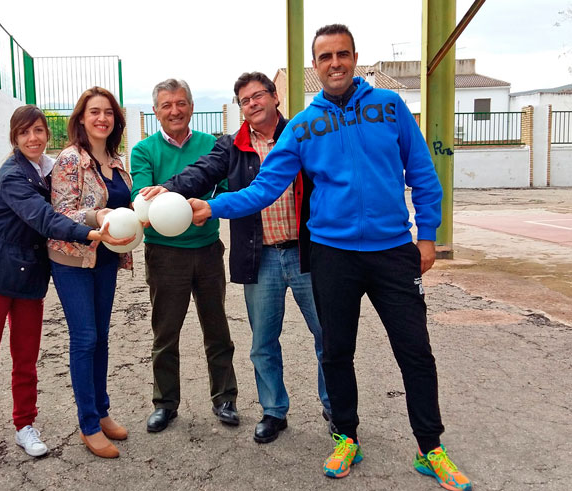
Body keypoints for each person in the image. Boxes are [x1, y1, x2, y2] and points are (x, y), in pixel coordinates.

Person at [189, 24, 472, 491]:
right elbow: (265, 187)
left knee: (416, 352)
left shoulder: (390, 107)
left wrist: (427, 236)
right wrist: (213, 206)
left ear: (355, 58)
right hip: (332, 254)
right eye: (326, 57)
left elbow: (422, 171)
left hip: (392, 252)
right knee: (336, 351)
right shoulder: (303, 126)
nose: (335, 63)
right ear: (316, 67)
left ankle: (430, 448)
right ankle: (346, 436)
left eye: (343, 54)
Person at [140, 72, 331, 444]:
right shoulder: (231, 145)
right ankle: (274, 411)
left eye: (259, 95)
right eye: (245, 100)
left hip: (308, 252)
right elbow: (202, 173)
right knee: (263, 342)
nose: (253, 103)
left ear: (275, 97)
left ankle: (335, 407)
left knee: (327, 334)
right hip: (260, 256)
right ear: (240, 108)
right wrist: (168, 189)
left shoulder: (303, 135)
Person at [0, 105, 132, 463]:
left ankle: (25, 425)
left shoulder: (47, 169)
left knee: (25, 358)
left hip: (31, 273)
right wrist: (91, 231)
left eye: (39, 131)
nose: (33, 138)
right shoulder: (12, 175)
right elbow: (44, 217)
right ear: (14, 137)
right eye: (25, 133)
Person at [130, 79, 239, 433]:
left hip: (207, 250)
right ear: (156, 112)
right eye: (166, 105)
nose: (174, 111)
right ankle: (165, 403)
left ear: (191, 107)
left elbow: (224, 191)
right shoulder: (143, 150)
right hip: (164, 255)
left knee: (217, 328)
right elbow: (143, 197)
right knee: (166, 333)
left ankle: (225, 399)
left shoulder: (213, 146)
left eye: (180, 103)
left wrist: (201, 202)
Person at [47, 87, 134, 459]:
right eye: (94, 112)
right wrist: (96, 217)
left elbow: (126, 206)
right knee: (84, 338)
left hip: (107, 258)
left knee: (101, 338)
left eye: (108, 113)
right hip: (74, 260)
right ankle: (88, 425)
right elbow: (60, 213)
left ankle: (101, 411)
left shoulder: (115, 160)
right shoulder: (69, 160)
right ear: (81, 118)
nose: (102, 118)